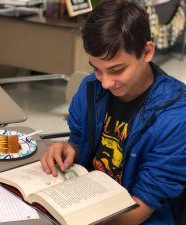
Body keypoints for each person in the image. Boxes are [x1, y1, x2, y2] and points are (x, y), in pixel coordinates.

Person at [40, 0, 186, 224]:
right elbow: (80, 141)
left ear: (147, 51)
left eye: (117, 70)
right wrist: (69, 148)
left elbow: (140, 208)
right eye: (97, 69)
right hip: (87, 200)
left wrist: (78, 219)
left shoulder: (176, 118)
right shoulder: (91, 88)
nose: (106, 82)